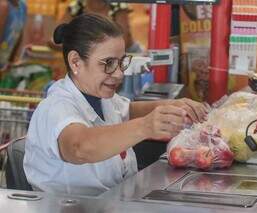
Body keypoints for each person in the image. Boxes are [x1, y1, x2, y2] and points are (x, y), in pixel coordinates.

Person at [24, 14, 210, 196]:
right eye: (108, 63)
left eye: (121, 62)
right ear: (76, 62)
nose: (119, 74)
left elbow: (128, 110)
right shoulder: (55, 107)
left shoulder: (101, 98)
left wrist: (174, 106)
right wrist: (145, 126)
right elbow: (79, 147)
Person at [0, 0, 27, 71]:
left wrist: (12, 61)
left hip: (5, 62)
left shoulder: (23, 7)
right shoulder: (3, 6)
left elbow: (19, 36)